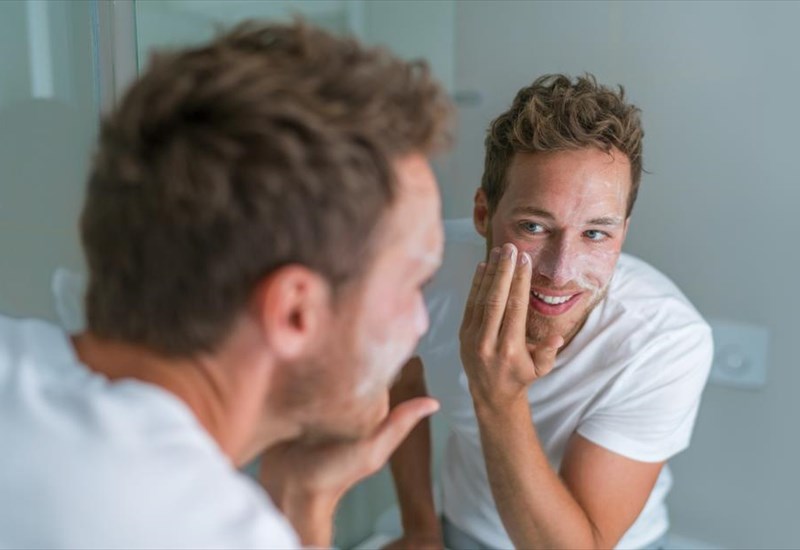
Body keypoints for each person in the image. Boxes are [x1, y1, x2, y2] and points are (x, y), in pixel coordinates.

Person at [0, 21, 453, 548]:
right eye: (413, 284)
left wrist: (303, 496)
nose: (421, 321)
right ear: (294, 313)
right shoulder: (198, 531)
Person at [388, 74, 713, 550]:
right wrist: (420, 528)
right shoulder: (424, 270)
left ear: (623, 232)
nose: (560, 272)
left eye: (595, 234)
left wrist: (498, 396)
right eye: (534, 227)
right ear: (483, 214)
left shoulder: (665, 341)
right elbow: (402, 384)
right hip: (463, 529)